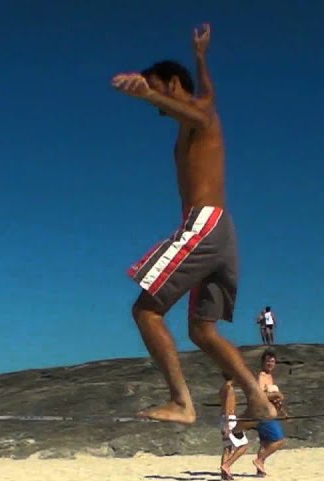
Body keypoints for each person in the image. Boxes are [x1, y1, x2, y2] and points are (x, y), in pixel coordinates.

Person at [113, 22, 275, 426]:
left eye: (156, 90)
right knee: (203, 331)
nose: (154, 104)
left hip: (203, 225)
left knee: (146, 310)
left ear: (171, 84)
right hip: (224, 233)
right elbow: (207, 93)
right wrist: (201, 56)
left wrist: (146, 91)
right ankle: (259, 399)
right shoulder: (199, 114)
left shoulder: (198, 117)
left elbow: (196, 104)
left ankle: (181, 402)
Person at [218, 372, 250, 481]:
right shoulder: (229, 388)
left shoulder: (222, 388)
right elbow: (227, 406)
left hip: (223, 418)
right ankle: (226, 466)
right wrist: (227, 424)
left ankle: (224, 474)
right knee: (244, 445)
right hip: (230, 420)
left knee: (227, 447)